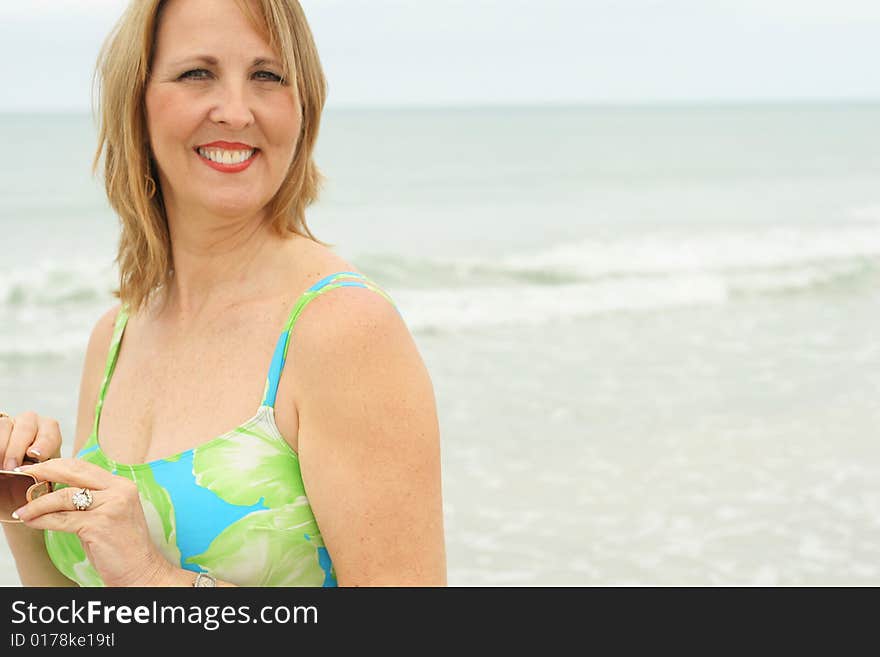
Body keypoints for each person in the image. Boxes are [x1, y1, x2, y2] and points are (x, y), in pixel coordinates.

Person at [0, 0, 446, 587]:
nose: (236, 111)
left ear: (302, 107)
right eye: (196, 74)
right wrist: (22, 510)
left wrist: (156, 579)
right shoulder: (115, 336)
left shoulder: (340, 328)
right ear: (137, 105)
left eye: (268, 76)